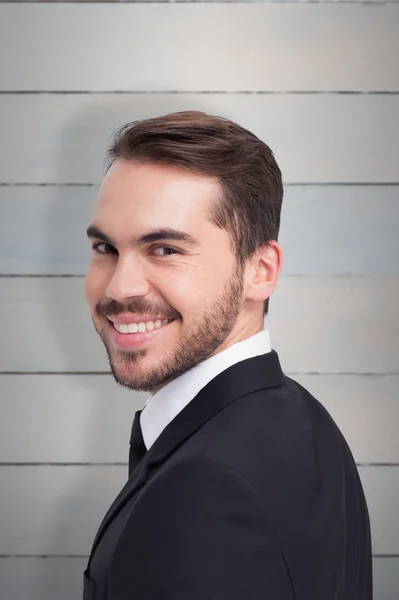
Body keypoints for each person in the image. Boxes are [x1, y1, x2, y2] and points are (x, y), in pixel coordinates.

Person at [82, 111, 372, 599]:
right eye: (105, 247)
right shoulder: (301, 417)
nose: (118, 287)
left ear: (259, 270)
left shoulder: (204, 489)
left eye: (165, 249)